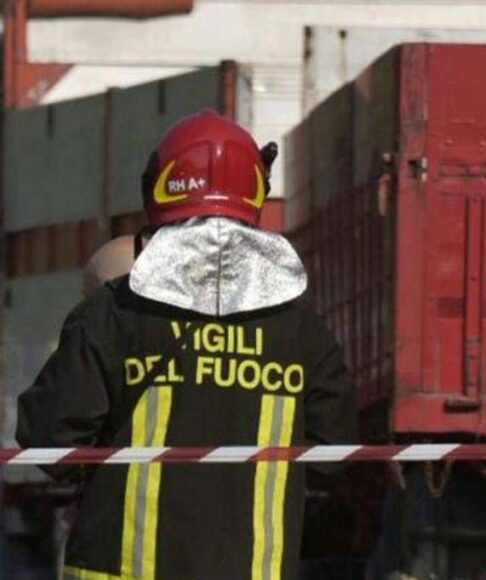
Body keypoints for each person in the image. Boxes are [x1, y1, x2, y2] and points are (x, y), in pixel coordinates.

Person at [17, 110, 356, 580]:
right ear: (255, 193)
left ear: (159, 189)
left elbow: (47, 436)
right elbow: (332, 455)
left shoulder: (115, 313)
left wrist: (104, 477)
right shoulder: (299, 329)